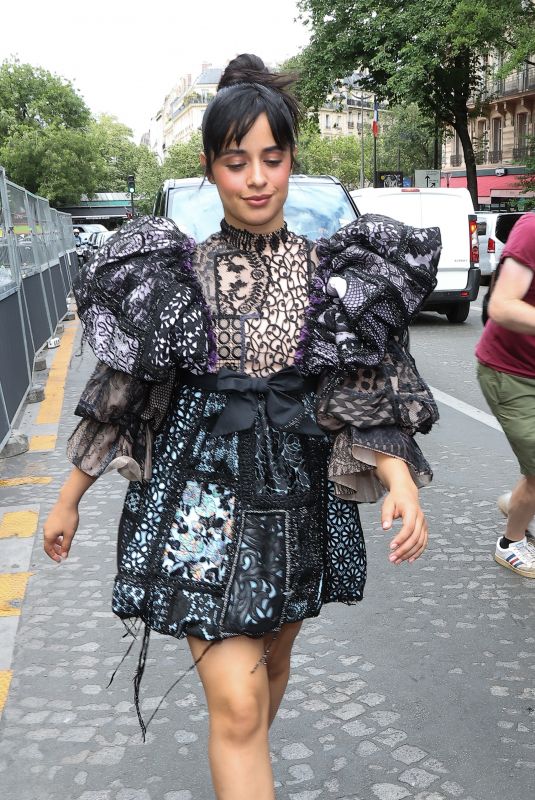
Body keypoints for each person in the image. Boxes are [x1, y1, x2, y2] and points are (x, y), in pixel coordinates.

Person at [43, 55, 439, 800]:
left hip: (296, 504)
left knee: (267, 675)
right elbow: (118, 393)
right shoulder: (173, 274)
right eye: (236, 161)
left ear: (289, 161)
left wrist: (396, 480)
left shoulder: (333, 277)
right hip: (197, 502)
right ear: (210, 169)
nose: (256, 178)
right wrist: (70, 495)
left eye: (271, 158)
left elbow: (361, 386)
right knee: (235, 701)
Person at [476, 212, 535, 579]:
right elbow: (501, 305)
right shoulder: (532, 230)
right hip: (510, 374)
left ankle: (518, 502)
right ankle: (511, 543)